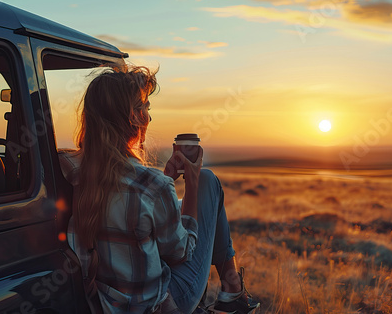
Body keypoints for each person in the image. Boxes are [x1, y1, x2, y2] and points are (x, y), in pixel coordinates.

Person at [65, 64, 260, 314]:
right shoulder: (152, 185)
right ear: (133, 117)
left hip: (105, 303)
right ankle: (233, 289)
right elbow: (183, 251)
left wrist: (166, 179)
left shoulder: (72, 169)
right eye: (146, 107)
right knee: (209, 181)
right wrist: (192, 183)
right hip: (156, 305)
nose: (149, 116)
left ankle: (233, 290)